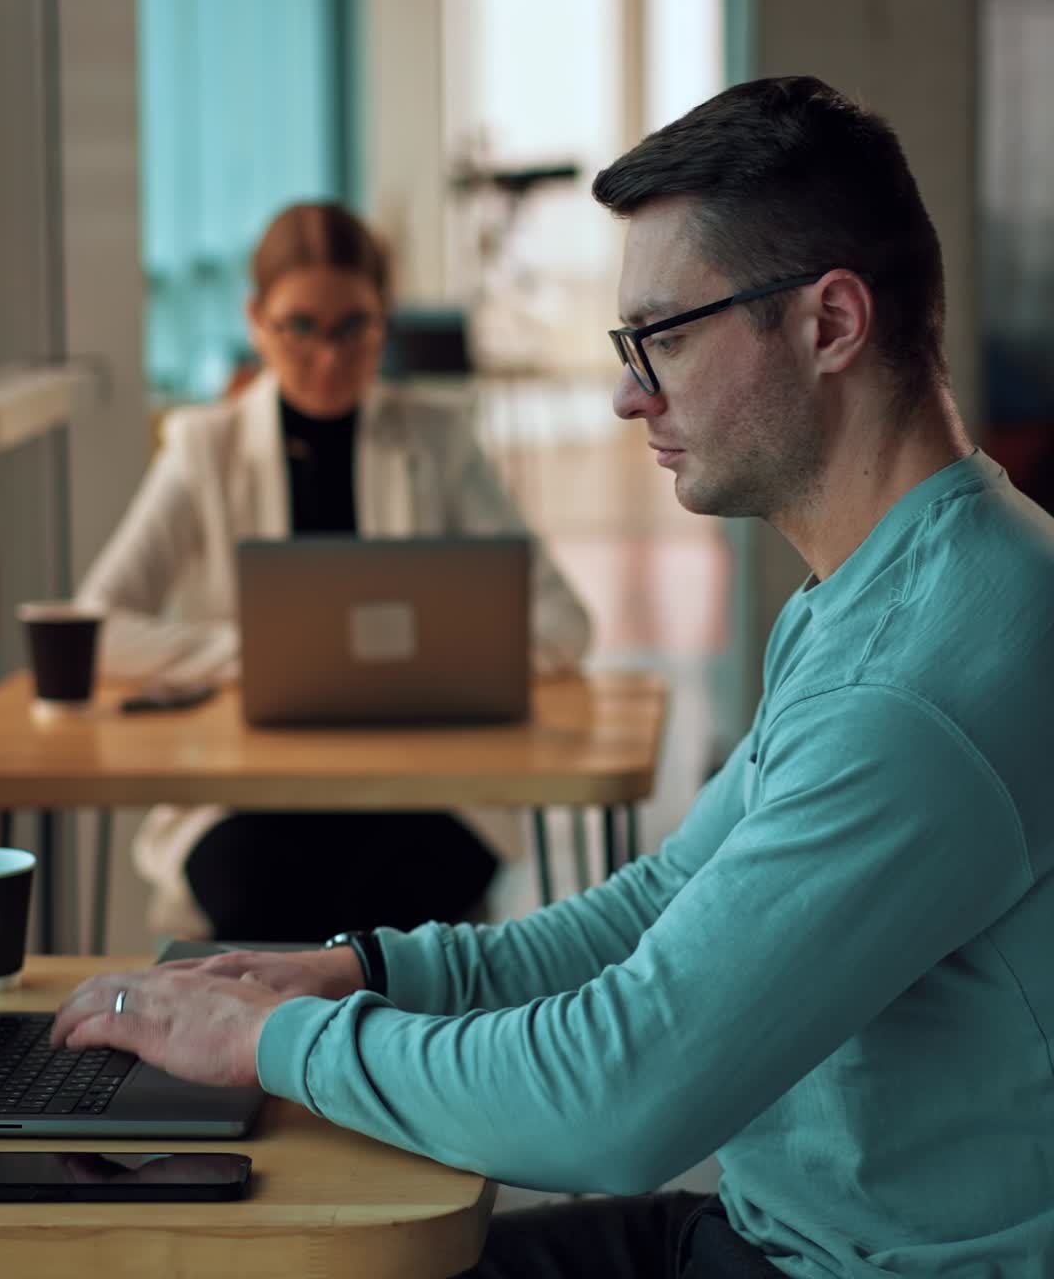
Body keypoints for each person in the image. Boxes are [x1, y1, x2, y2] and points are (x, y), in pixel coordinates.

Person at [53, 77, 1054, 1277]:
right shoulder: (895, 584)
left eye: (664, 337)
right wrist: (366, 968)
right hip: (779, 1232)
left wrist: (275, 1039)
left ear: (830, 324)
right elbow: (663, 900)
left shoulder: (910, 690)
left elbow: (613, 1096)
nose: (629, 392)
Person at [78, 201, 592, 941]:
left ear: (383, 319)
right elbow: (95, 628)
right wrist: (260, 658)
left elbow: (565, 625)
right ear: (257, 320)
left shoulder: (438, 442)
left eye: (355, 327)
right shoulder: (205, 449)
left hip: (425, 789)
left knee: (393, 907)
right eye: (301, 327)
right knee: (262, 889)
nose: (328, 355)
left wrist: (422, 662)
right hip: (244, 793)